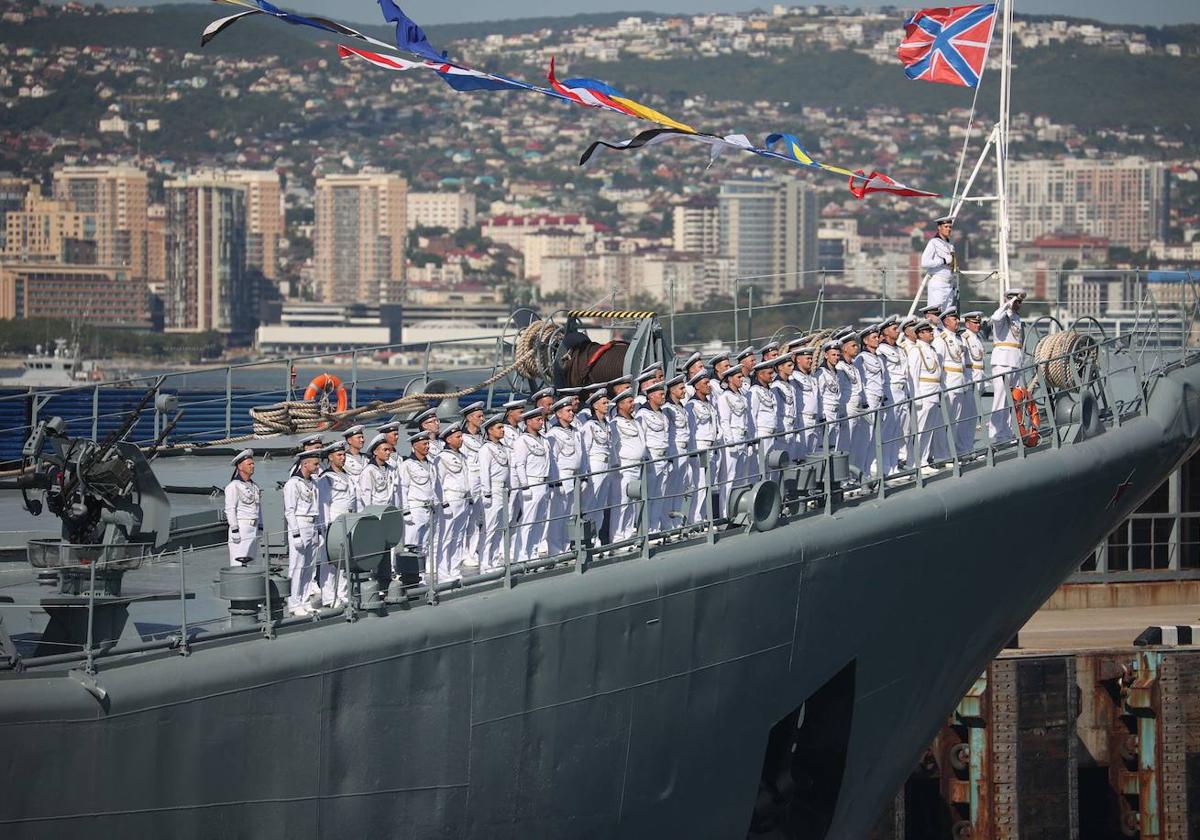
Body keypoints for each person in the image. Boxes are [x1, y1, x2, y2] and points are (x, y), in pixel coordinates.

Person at [317, 440, 358, 607]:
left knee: (343, 560)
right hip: (332, 523)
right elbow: (324, 504)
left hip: (346, 522)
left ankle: (341, 592)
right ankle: (328, 597)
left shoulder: (346, 476)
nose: (343, 458)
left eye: (344, 455)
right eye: (339, 455)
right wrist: (324, 526)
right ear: (330, 457)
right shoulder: (325, 479)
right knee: (329, 562)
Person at [283, 449, 324, 616]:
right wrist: (295, 534)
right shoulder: (293, 484)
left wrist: (319, 529)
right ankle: (294, 602)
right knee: (297, 566)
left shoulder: (313, 483)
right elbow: (289, 511)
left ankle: (305, 600)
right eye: (315, 463)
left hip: (312, 525)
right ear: (305, 464)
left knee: (309, 566)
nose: (317, 466)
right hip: (300, 524)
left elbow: (316, 508)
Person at [545, 397, 587, 555]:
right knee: (558, 515)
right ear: (558, 414)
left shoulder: (575, 431)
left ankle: (567, 545)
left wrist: (583, 477)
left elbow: (581, 454)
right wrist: (557, 483)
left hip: (575, 476)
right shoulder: (554, 434)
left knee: (570, 514)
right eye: (568, 411)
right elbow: (553, 460)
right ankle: (555, 549)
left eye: (571, 410)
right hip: (563, 476)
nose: (572, 413)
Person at [511, 408, 553, 561]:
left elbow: (549, 463)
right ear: (528, 422)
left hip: (543, 483)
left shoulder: (544, 440)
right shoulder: (522, 440)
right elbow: (519, 465)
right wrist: (525, 486)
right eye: (538, 420)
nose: (541, 422)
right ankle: (522, 556)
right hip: (531, 482)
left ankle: (533, 552)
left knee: (539, 521)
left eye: (541, 419)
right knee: (528, 522)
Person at [989, 289, 1027, 443]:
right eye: (1017, 302)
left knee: (1013, 398)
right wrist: (1008, 304)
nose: (1019, 305)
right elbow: (995, 317)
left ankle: (1009, 431)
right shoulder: (1002, 315)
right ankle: (997, 432)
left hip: (1015, 360)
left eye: (1019, 302)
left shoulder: (1017, 318)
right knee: (1000, 397)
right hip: (1003, 360)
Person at [908, 320, 946, 472]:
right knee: (920, 429)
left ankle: (923, 460)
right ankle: (915, 462)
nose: (931, 333)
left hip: (934, 392)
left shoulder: (932, 350)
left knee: (929, 429)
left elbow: (938, 373)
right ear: (920, 334)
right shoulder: (916, 350)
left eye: (931, 331)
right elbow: (913, 374)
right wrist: (916, 397)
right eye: (928, 331)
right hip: (923, 393)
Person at [435, 423, 471, 582]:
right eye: (458, 437)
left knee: (459, 537)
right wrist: (442, 503)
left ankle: (455, 570)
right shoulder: (441, 458)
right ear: (448, 439)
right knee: (447, 537)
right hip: (451, 499)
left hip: (463, 499)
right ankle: (443, 572)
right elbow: (438, 483)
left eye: (461, 436)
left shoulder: (462, 456)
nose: (461, 439)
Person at [637, 379, 674, 532]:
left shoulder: (663, 414)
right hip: (652, 459)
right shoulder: (643, 414)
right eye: (660, 394)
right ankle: (646, 530)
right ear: (651, 396)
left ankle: (655, 527)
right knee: (650, 496)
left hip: (664, 458)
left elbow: (666, 437)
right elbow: (642, 438)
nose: (663, 396)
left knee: (660, 496)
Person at [611, 387, 647, 543]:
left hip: (637, 467)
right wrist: (616, 466)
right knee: (622, 503)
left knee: (632, 502)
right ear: (620, 404)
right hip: (624, 468)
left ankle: (627, 534)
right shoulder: (616, 423)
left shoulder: (635, 421)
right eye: (629, 401)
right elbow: (613, 446)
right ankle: (617, 538)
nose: (633, 404)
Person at [685, 368, 723, 520]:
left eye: (709, 382)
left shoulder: (709, 404)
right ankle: (695, 519)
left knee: (708, 484)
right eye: (705, 383)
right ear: (697, 386)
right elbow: (691, 430)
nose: (709, 386)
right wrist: (693, 452)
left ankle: (703, 515)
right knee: (700, 485)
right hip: (700, 449)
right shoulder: (691, 405)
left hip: (711, 448)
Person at [581, 389, 616, 544]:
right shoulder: (589, 426)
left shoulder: (606, 425)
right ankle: (587, 539)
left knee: (601, 505)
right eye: (604, 403)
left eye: (607, 402)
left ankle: (596, 540)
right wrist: (585, 473)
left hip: (606, 466)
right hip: (595, 466)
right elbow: (585, 450)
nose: (607, 405)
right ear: (595, 406)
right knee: (591, 503)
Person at [477, 414, 512, 570]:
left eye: (503, 427)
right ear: (490, 430)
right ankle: (485, 562)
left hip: (504, 489)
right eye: (499, 428)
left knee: (499, 527)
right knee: (490, 528)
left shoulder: (502, 447)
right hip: (493, 488)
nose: (503, 430)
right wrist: (487, 494)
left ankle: (494, 558)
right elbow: (484, 472)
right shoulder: (486, 449)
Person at [854, 324, 889, 477]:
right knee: (865, 439)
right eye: (874, 338)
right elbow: (859, 381)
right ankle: (859, 472)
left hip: (879, 400)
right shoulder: (861, 358)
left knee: (875, 438)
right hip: (869, 400)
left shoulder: (879, 357)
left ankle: (867, 470)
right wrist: (864, 403)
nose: (878, 339)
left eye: (877, 337)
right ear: (866, 341)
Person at [877, 317, 911, 474]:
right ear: (885, 332)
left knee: (898, 431)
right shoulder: (881, 350)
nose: (897, 331)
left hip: (902, 391)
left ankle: (893, 465)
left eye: (897, 328)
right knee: (888, 431)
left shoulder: (900, 349)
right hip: (891, 391)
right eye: (894, 329)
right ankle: (885, 467)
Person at [934, 307, 968, 459]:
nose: (958, 321)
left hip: (959, 384)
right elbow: (938, 365)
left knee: (955, 421)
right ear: (946, 321)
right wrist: (942, 387)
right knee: (944, 422)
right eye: (954, 319)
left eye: (957, 318)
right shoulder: (941, 340)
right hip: (949, 385)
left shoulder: (958, 339)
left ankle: (951, 452)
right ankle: (942, 455)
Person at [717, 366, 754, 503]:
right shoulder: (724, 397)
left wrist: (749, 441)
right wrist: (730, 442)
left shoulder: (742, 396)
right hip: (732, 439)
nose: (741, 379)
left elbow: (746, 420)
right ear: (730, 379)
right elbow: (724, 421)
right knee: (729, 478)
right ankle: (726, 512)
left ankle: (739, 507)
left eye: (741, 376)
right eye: (738, 377)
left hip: (743, 439)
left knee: (741, 477)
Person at [663, 374, 695, 524]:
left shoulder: (680, 407)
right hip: (675, 451)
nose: (684, 391)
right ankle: (667, 523)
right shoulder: (668, 409)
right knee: (670, 490)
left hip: (684, 451)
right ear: (673, 390)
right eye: (681, 388)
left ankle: (675, 522)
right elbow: (668, 434)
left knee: (680, 488)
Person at [459, 401, 487, 564]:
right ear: (469, 418)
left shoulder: (481, 436)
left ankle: (472, 550)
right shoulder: (462, 438)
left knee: (477, 517)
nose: (482, 419)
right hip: (470, 479)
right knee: (466, 517)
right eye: (479, 416)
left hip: (482, 479)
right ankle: (464, 552)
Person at [224, 449, 262, 566]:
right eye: (249, 464)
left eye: (253, 463)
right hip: (242, 528)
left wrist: (260, 526)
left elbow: (258, 508)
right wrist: (235, 529)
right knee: (239, 562)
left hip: (253, 528)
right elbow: (230, 509)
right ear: (240, 467)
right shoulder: (233, 486)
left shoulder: (254, 486)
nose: (252, 466)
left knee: (251, 562)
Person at [960, 311, 987, 457]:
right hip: (970, 379)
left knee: (972, 417)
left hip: (979, 378)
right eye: (975, 323)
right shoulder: (964, 338)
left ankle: (969, 448)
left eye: (979, 322)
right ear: (967, 324)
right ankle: (962, 449)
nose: (978, 325)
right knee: (966, 417)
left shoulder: (977, 339)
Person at [749, 358, 780, 482]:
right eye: (769, 373)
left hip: (771, 433)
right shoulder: (754, 391)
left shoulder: (769, 391)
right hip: (761, 434)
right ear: (760, 374)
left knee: (770, 466)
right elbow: (752, 415)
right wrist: (754, 439)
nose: (772, 376)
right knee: (759, 466)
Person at [790, 344, 822, 456]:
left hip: (815, 421)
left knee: (813, 455)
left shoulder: (812, 378)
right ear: (798, 360)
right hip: (803, 420)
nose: (810, 361)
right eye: (807, 358)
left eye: (811, 358)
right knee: (801, 456)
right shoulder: (793, 377)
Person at [922, 214, 958, 312]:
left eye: (950, 227)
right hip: (938, 283)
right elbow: (924, 262)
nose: (948, 229)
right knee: (935, 314)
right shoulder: (933, 242)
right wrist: (943, 261)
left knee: (947, 315)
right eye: (946, 227)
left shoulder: (950, 245)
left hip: (949, 284)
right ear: (939, 227)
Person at [816, 341, 844, 452]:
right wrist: (821, 415)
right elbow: (819, 395)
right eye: (833, 355)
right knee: (824, 445)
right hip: (826, 412)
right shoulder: (821, 373)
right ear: (826, 355)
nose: (836, 358)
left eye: (838, 355)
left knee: (835, 444)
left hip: (836, 412)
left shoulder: (836, 372)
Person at [359, 433, 399, 508]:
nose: (388, 452)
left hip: (389, 510)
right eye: (385, 450)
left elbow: (395, 492)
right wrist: (370, 513)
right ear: (375, 452)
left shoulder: (391, 469)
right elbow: (366, 494)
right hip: (376, 511)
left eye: (389, 450)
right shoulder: (369, 471)